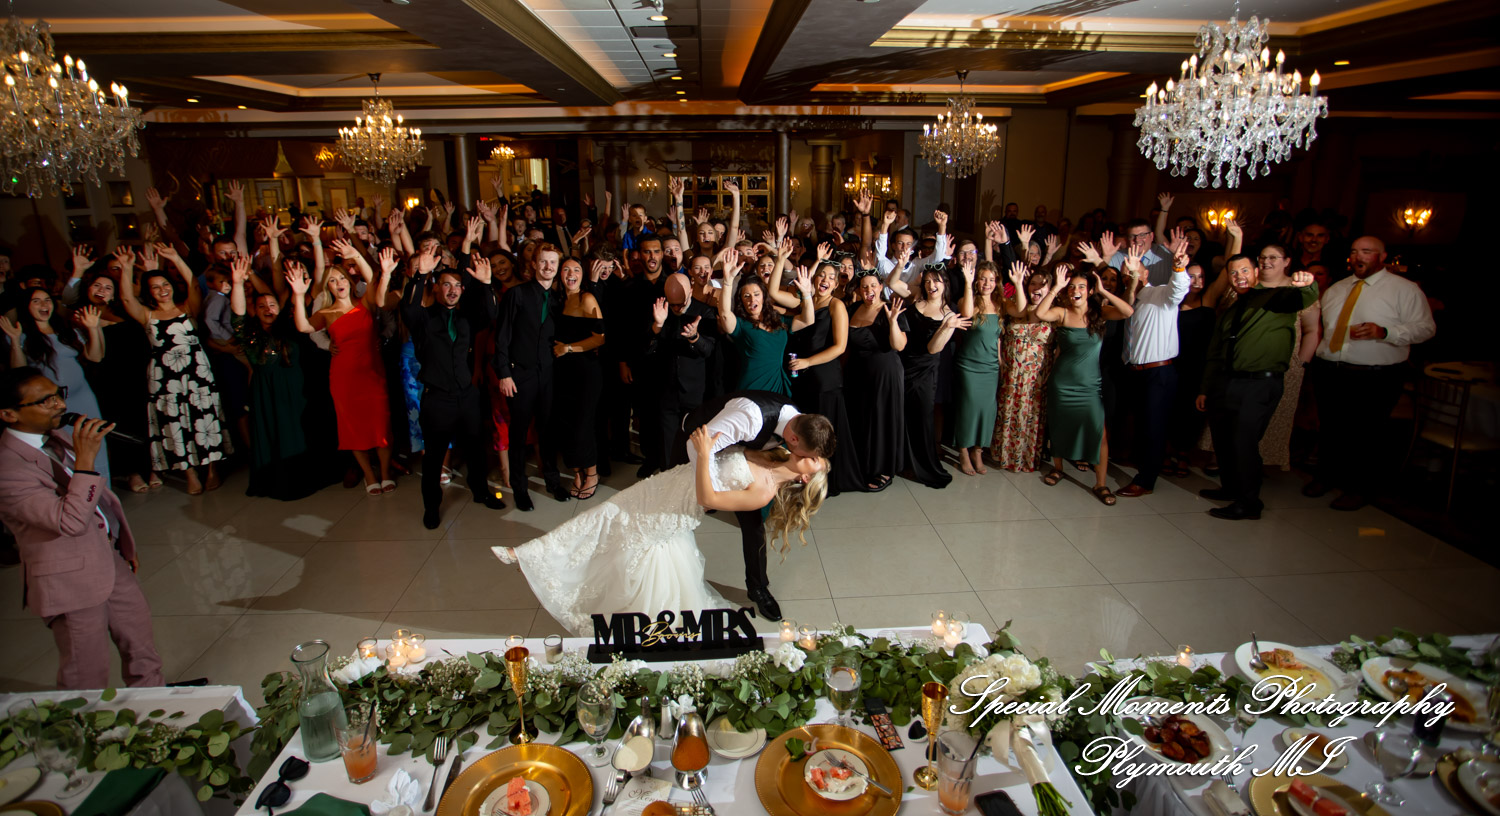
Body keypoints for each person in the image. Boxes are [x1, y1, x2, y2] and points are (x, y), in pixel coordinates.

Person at [493, 424, 827, 635]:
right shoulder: (773, 453)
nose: (812, 455)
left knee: (610, 517)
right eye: (815, 455)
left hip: (675, 506)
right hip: (668, 484)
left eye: (816, 461)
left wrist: (705, 452)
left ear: (805, 477)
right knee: (609, 516)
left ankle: (530, 554)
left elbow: (706, 496)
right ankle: (535, 554)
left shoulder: (764, 492)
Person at [0, 367, 165, 689]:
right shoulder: (8, 469)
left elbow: (98, 502)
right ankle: (87, 734)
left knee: (144, 654)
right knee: (86, 674)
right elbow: (69, 521)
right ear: (8, 414)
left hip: (108, 559)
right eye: (45, 401)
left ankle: (156, 724)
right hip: (68, 580)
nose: (60, 405)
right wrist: (86, 462)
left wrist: (119, 544)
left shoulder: (55, 437)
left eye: (57, 394)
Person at [678, 390, 835, 620]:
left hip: (735, 459)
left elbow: (749, 446)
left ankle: (758, 587)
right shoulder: (750, 418)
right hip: (691, 450)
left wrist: (747, 456)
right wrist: (715, 491)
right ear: (793, 440)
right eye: (806, 456)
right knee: (682, 517)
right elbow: (697, 447)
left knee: (754, 527)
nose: (802, 459)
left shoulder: (798, 423)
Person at [1304, 236, 1435, 510]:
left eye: (1366, 251)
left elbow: (1425, 328)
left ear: (1382, 256)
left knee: (1365, 433)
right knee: (1330, 427)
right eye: (1353, 252)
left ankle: (1358, 488)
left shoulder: (1404, 290)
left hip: (1376, 374)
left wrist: (1386, 332)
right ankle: (1327, 477)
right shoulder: (1338, 289)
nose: (1357, 257)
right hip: (1331, 369)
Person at [1196, 257, 1319, 520]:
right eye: (1233, 273)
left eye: (1244, 270)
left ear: (1255, 272)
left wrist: (1308, 285)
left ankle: (1249, 503)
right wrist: (1206, 387)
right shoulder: (1230, 310)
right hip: (1225, 382)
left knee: (1244, 443)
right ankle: (1231, 489)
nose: (1239, 276)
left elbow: (1302, 299)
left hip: (1258, 383)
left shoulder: (1276, 298)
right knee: (1224, 440)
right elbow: (1215, 353)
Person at [401, 247, 507, 528]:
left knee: (475, 448)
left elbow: (492, 311)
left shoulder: (466, 319)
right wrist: (420, 274)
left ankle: (481, 492)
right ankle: (431, 506)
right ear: (436, 288)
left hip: (467, 395)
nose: (452, 290)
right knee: (434, 455)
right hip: (437, 398)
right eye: (446, 285)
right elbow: (408, 308)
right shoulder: (423, 319)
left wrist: (485, 284)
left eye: (457, 286)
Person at [118, 244, 231, 495]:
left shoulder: (186, 308)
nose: (162, 290)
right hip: (165, 377)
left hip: (196, 372)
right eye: (155, 287)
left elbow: (192, 284)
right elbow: (126, 298)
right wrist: (126, 268)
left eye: (165, 284)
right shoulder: (147, 315)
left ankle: (212, 469)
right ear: (149, 292)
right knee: (175, 423)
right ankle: (189, 473)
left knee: (205, 417)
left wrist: (175, 258)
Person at [287, 239, 395, 495]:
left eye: (342, 279)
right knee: (353, 428)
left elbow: (374, 281)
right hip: (344, 378)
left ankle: (386, 473)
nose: (339, 284)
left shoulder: (365, 302)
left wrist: (356, 254)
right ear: (328, 286)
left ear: (349, 280)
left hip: (372, 374)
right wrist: (300, 295)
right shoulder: (326, 312)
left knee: (381, 425)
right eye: (333, 281)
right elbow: (303, 327)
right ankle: (370, 476)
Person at [1035, 265, 1134, 504]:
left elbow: (1128, 311)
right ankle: (1058, 468)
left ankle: (1101, 485)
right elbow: (1040, 314)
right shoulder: (1062, 312)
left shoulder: (1100, 313)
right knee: (1059, 427)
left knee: (1099, 434)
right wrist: (1056, 287)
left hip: (1089, 386)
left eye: (1081, 286)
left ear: (1089, 291)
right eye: (1072, 287)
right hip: (1063, 382)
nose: (1075, 290)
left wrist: (1104, 291)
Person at [2, 288, 108, 482]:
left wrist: (93, 328)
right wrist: (15, 341)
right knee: (67, 450)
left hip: (83, 397)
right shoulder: (21, 335)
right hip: (52, 406)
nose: (44, 305)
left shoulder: (67, 332)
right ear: (26, 307)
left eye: (47, 300)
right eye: (36, 301)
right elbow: (20, 373)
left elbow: (96, 356)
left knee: (95, 442)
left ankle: (104, 496)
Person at [494, 243, 570, 510]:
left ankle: (552, 480)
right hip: (521, 375)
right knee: (518, 433)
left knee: (548, 431)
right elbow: (501, 337)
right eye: (544, 262)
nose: (548, 267)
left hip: (550, 374)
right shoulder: (517, 295)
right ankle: (519, 487)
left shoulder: (561, 300)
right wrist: (504, 373)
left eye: (553, 263)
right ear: (534, 264)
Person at [1115, 239, 1191, 497]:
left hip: (1158, 372)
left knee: (1153, 426)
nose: (1130, 275)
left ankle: (1146, 480)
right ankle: (1142, 464)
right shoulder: (1127, 300)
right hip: (1134, 370)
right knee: (1141, 423)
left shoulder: (1160, 294)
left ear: (1146, 273)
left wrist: (1179, 269)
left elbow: (1178, 290)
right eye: (1126, 271)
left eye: (1135, 270)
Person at [899, 266, 968, 489]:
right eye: (927, 282)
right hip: (904, 366)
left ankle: (922, 465)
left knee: (922, 417)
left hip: (926, 372)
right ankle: (903, 461)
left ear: (945, 283)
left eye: (936, 281)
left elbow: (932, 348)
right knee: (904, 415)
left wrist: (947, 327)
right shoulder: (915, 305)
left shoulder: (950, 313)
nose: (932, 286)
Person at [844, 273, 908, 491]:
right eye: (864, 286)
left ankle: (884, 468)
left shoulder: (892, 308)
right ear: (858, 290)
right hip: (857, 371)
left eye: (873, 285)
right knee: (861, 418)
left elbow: (899, 346)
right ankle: (864, 463)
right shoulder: (853, 309)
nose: (868, 290)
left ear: (881, 287)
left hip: (884, 372)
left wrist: (892, 323)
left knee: (881, 419)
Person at [551, 257, 606, 499]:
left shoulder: (587, 299)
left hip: (585, 371)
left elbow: (600, 338)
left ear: (583, 274)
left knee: (583, 424)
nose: (571, 274)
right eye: (566, 269)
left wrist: (569, 348)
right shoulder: (556, 299)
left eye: (576, 269)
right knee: (565, 424)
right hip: (561, 372)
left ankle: (592, 472)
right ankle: (576, 471)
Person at [992, 263, 1055, 472]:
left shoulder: (1054, 312)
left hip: (1035, 377)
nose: (1036, 288)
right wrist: (1019, 284)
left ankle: (1025, 458)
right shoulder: (1015, 305)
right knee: (1008, 412)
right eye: (1033, 283)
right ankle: (1003, 456)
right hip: (1011, 373)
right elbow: (1003, 331)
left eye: (1042, 285)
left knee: (1031, 415)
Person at [952, 259, 1003, 475]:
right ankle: (963, 450)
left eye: (991, 279)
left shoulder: (1000, 305)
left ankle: (978, 451)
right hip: (970, 366)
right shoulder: (968, 299)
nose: (987, 283)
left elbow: (997, 336)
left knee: (987, 409)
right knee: (969, 407)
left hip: (991, 366)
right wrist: (968, 281)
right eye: (983, 278)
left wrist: (1000, 360)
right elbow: (966, 314)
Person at [719, 256, 797, 397]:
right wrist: (728, 280)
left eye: (756, 294)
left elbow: (808, 320)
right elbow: (724, 314)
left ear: (763, 297)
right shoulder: (741, 325)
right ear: (741, 301)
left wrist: (807, 295)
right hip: (751, 389)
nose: (752, 299)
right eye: (746, 296)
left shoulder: (778, 320)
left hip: (777, 387)